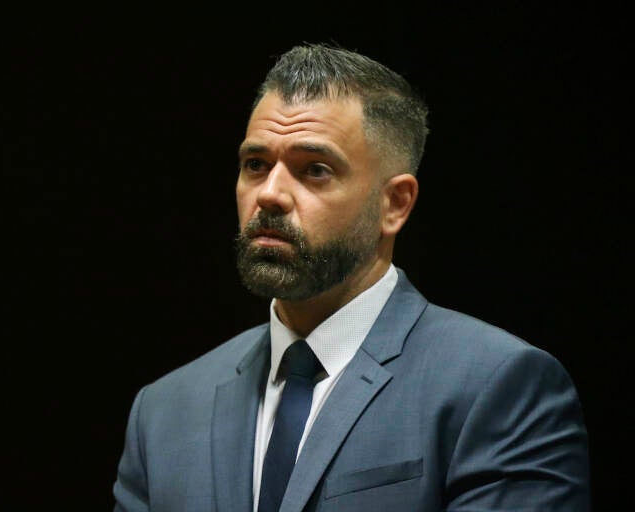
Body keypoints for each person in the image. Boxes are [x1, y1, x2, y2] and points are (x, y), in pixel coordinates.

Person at [111, 43, 590, 511]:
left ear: (395, 204)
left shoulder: (496, 386)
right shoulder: (163, 412)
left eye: (314, 170)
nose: (270, 194)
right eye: (255, 165)